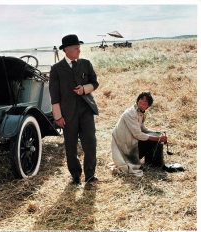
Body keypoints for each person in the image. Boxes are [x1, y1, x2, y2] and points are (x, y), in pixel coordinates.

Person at [49, 34, 99, 185]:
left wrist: (84, 89)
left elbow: (95, 83)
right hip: (67, 114)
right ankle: (75, 176)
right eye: (77, 48)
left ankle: (90, 176)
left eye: (79, 47)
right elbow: (54, 95)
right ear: (67, 50)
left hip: (86, 111)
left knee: (90, 143)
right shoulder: (56, 69)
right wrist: (58, 117)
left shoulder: (86, 63)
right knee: (70, 146)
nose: (79, 50)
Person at [111, 92, 168, 177]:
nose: (142, 103)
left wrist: (158, 134)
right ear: (137, 101)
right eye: (141, 101)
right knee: (155, 140)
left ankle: (153, 164)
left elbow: (143, 129)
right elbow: (138, 134)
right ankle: (155, 164)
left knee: (156, 137)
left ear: (148, 106)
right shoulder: (130, 113)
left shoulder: (141, 113)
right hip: (124, 147)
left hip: (131, 141)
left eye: (145, 102)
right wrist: (158, 139)